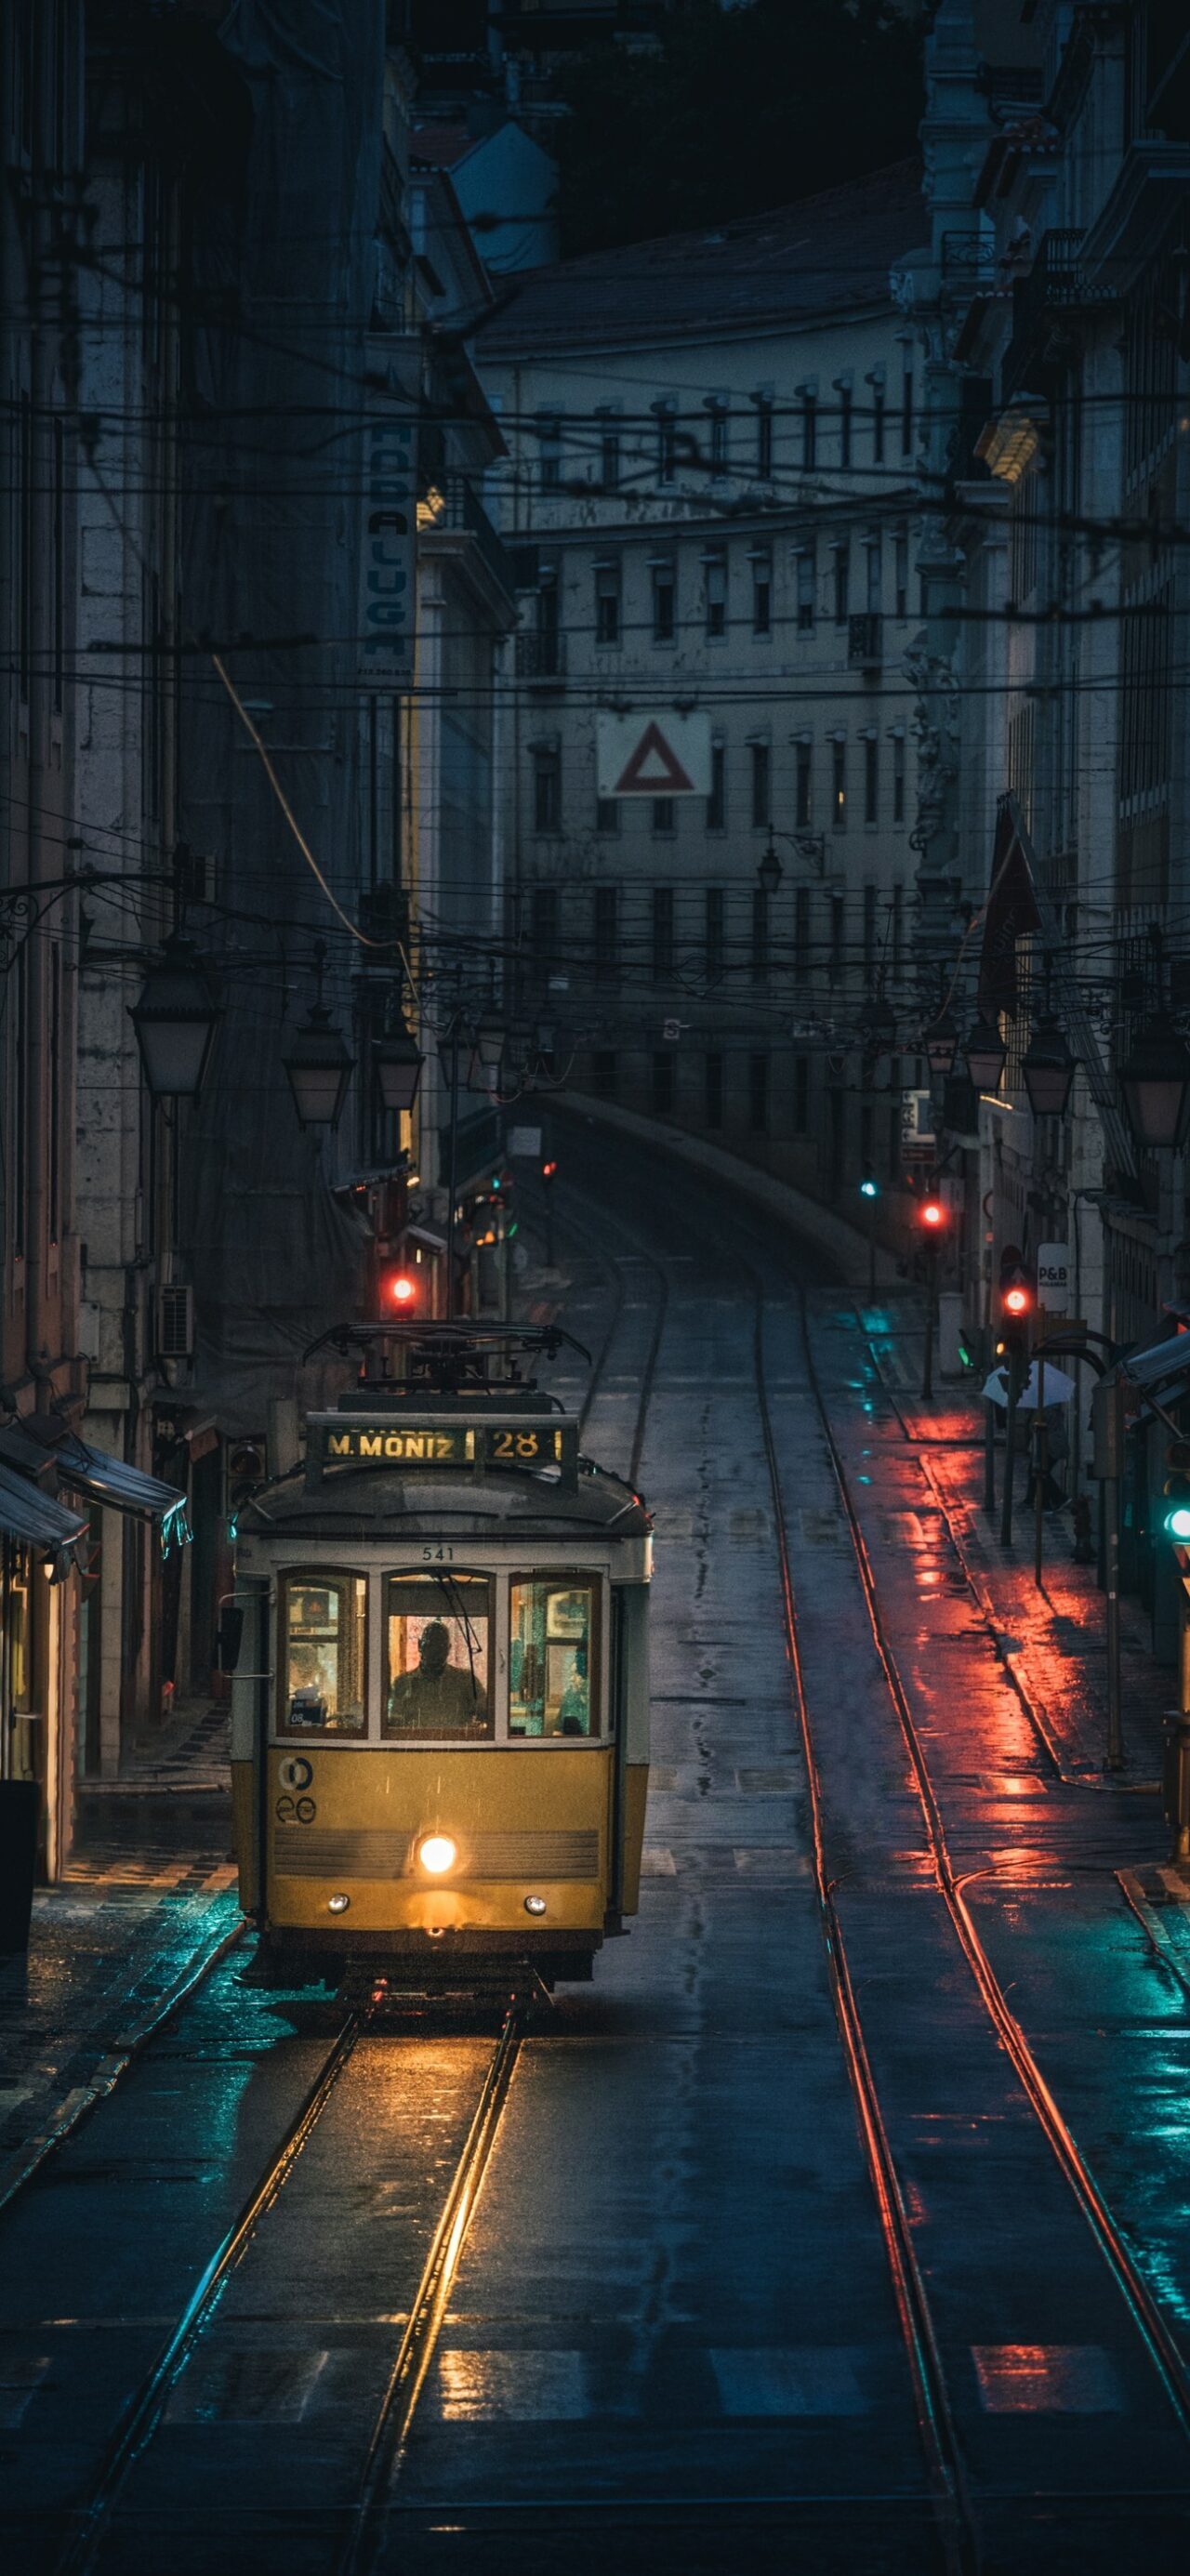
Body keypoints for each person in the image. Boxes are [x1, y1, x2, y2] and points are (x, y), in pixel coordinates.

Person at [388, 1621, 487, 1732]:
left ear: (448, 1649)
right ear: (420, 1645)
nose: (435, 1651)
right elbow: (393, 1726)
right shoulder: (402, 1683)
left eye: (440, 1646)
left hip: (457, 1747)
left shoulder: (466, 1681)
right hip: (415, 1747)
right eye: (430, 1644)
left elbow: (488, 1714)